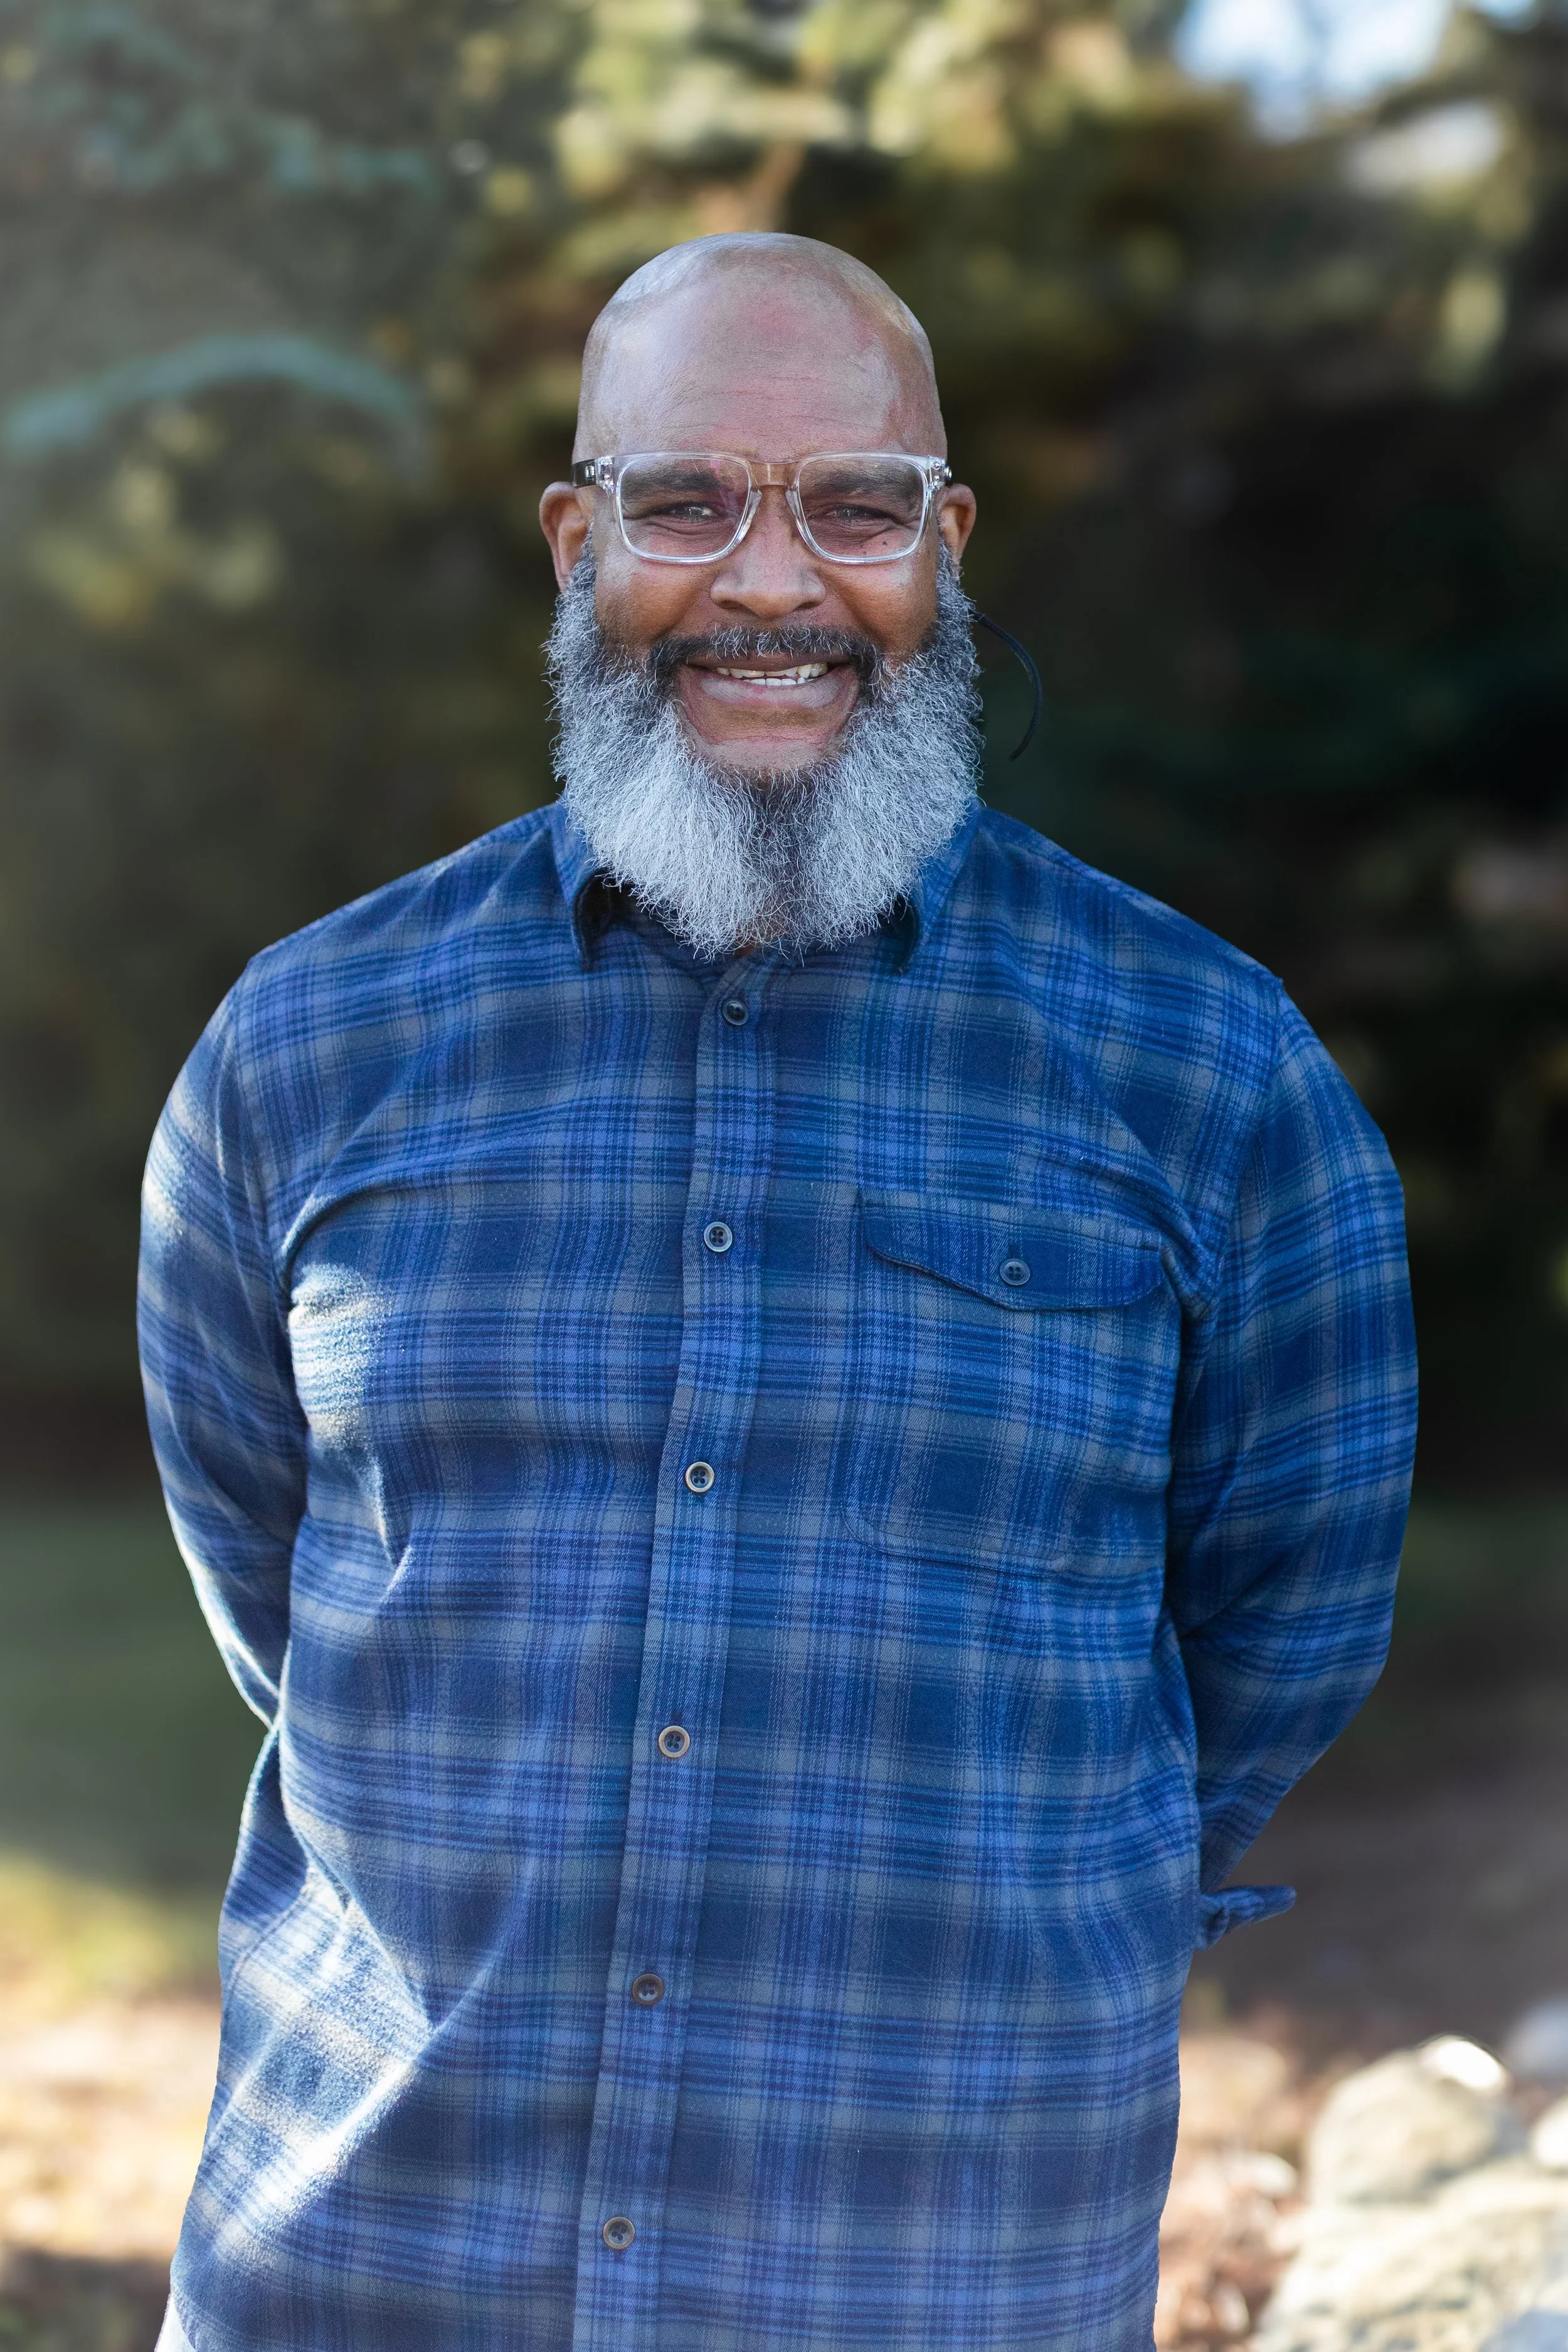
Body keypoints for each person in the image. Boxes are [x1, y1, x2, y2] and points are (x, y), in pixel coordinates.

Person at [140, 232, 1417, 2352]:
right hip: (371, 2264)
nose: (769, 582)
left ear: (944, 544)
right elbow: (274, 1606)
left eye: (852, 503)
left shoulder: (1209, 1066)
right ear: (576, 540)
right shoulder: (305, 1044)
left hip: (933, 2270)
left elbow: (1281, 1622)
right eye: (682, 502)